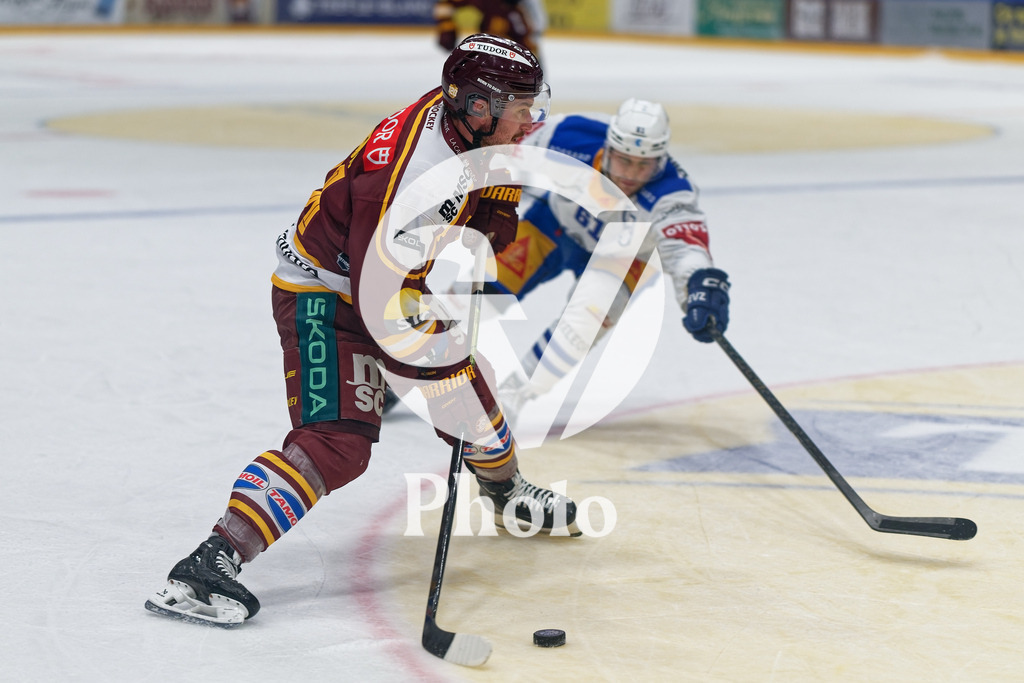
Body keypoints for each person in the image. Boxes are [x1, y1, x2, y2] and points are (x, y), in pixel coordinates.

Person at [144, 34, 579, 629]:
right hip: (324, 295)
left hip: (382, 277)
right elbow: (381, 297)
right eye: (519, 107)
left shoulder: (465, 123)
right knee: (339, 439)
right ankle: (208, 563)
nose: (530, 119)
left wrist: (493, 218)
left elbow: (489, 179)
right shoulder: (406, 176)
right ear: (478, 106)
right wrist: (431, 355)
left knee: (467, 398)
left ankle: (506, 495)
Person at [489, 98, 731, 414]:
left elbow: (686, 249)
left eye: (644, 165)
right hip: (553, 224)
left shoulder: (672, 192)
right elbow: (508, 144)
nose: (631, 174)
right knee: (481, 290)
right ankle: (420, 360)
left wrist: (701, 289)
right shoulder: (571, 134)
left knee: (582, 327)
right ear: (609, 148)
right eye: (624, 161)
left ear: (660, 160)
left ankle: (512, 398)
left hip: (621, 259)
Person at [433, 0, 546, 61]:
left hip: (507, 60)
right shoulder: (491, 4)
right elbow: (446, 4)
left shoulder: (518, 15)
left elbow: (530, 40)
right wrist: (447, 28)